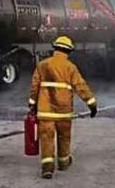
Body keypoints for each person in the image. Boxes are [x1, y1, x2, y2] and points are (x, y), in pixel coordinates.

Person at [28, 35, 97, 179]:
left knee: (46, 138)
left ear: (55, 48)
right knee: (64, 137)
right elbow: (81, 86)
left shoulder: (43, 65)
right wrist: (91, 104)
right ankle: (64, 162)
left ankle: (47, 167)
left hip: (45, 111)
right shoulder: (70, 67)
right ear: (69, 51)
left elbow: (34, 87)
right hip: (64, 112)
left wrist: (32, 105)